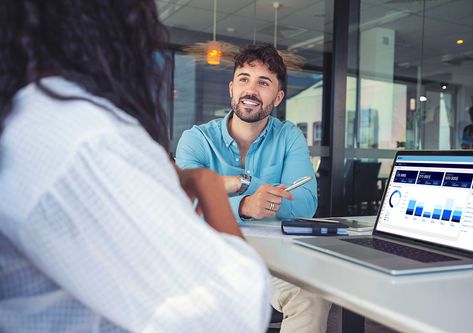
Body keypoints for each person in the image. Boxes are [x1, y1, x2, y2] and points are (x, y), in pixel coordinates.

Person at [0, 1, 271, 332]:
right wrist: (212, 188)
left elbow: (302, 201)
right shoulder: (88, 137)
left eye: (264, 82)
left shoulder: (29, 118)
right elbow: (231, 311)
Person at [176, 44, 331, 333]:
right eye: (244, 79)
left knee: (312, 295)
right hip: (208, 255)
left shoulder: (289, 137)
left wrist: (234, 187)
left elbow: (306, 203)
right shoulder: (196, 140)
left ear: (278, 96)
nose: (251, 90)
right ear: (232, 88)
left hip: (274, 260)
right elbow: (180, 205)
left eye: (264, 82)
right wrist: (245, 204)